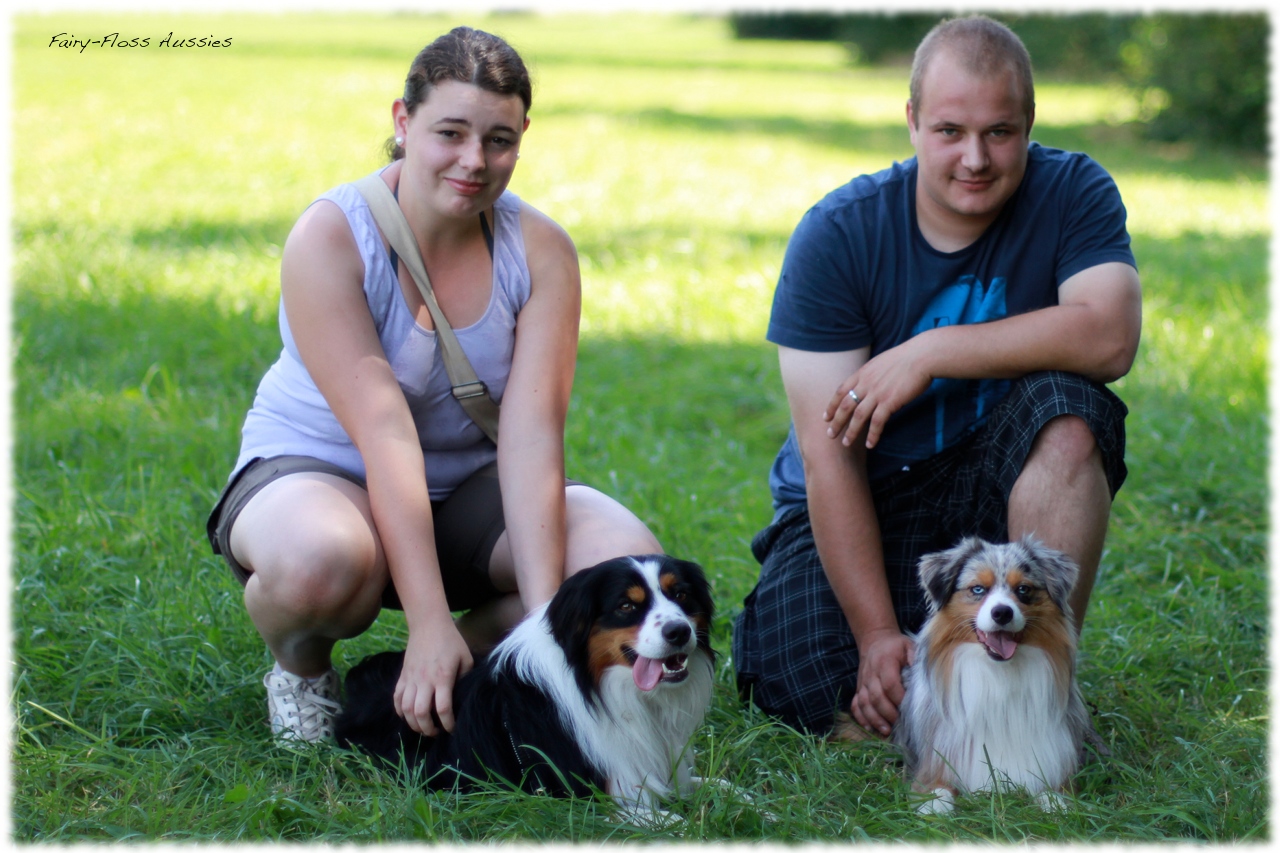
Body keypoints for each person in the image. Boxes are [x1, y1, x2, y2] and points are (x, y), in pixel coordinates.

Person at [206, 27, 660, 743]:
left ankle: (485, 663)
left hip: (463, 498)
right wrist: (424, 618)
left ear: (523, 137)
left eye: (500, 140)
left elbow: (533, 431)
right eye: (450, 132)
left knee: (616, 560)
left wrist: (550, 623)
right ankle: (303, 669)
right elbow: (383, 431)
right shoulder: (329, 236)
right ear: (402, 121)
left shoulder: (540, 251)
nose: (474, 161)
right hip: (325, 475)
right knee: (319, 562)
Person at [732, 15, 1141, 739]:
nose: (975, 158)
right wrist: (874, 635)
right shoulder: (838, 234)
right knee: (802, 684)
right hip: (872, 494)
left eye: (1000, 132)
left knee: (1070, 408)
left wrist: (930, 350)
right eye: (951, 130)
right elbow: (830, 457)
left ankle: (1040, 698)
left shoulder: (1074, 190)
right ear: (914, 121)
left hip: (999, 486)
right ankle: (941, 681)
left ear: (1029, 123)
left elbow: (1108, 335)